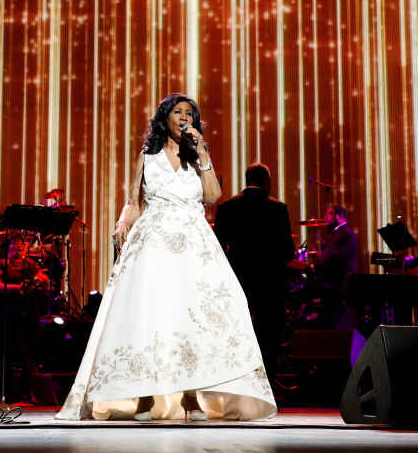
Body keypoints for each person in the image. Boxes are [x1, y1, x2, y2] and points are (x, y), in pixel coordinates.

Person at [57, 93, 276, 421]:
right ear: (165, 118)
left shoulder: (196, 158)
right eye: (178, 111)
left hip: (192, 244)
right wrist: (122, 223)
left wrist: (203, 153)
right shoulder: (148, 157)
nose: (185, 117)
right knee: (150, 313)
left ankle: (191, 397)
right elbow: (134, 201)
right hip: (154, 243)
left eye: (190, 113)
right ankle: (144, 397)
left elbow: (213, 197)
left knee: (191, 314)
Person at [213, 163, 294, 386]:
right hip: (270, 282)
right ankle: (266, 383)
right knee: (269, 334)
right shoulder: (278, 208)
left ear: (247, 179)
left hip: (238, 280)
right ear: (266, 180)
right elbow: (288, 251)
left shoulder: (227, 208)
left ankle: (235, 382)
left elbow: (216, 249)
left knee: (236, 331)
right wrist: (274, 265)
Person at [0, 237, 50, 404]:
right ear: (8, 246)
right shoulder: (1, 263)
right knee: (4, 352)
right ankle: (2, 393)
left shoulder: (30, 264)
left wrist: (41, 280)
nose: (20, 246)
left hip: (27, 310)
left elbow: (41, 283)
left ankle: (29, 393)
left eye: (22, 244)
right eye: (15, 243)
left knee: (27, 351)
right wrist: (17, 288)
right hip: (7, 310)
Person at [311, 205, 359, 329]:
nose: (325, 217)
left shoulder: (345, 234)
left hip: (337, 286)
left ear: (340, 216)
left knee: (334, 324)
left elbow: (333, 259)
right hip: (333, 285)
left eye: (330, 214)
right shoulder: (337, 233)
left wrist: (313, 266)